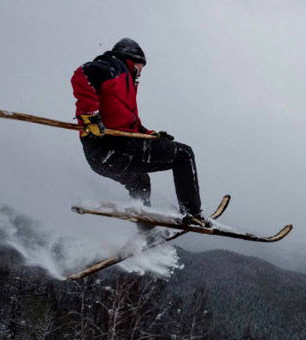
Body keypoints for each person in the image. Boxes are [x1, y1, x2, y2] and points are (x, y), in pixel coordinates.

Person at [71, 38, 209, 228]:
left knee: (140, 181)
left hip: (102, 158)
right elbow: (83, 74)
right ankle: (193, 214)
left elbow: (128, 124)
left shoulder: (123, 83)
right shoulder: (115, 67)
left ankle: (145, 226)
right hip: (112, 148)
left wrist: (150, 134)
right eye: (140, 67)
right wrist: (89, 116)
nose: (140, 73)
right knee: (183, 154)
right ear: (132, 59)